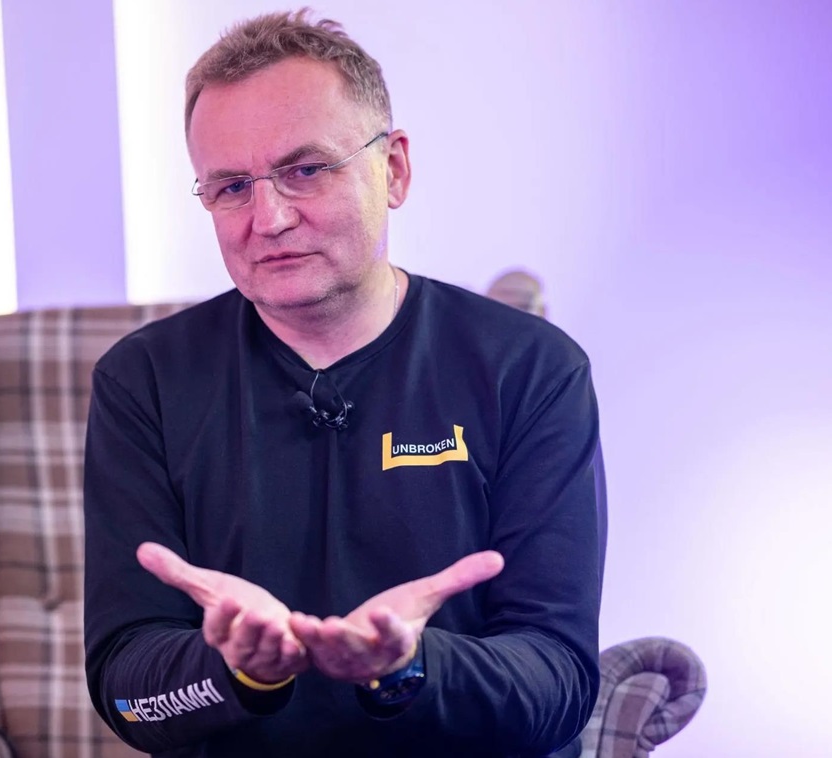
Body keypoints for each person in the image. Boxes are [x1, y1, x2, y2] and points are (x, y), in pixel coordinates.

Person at [83, 10, 605, 757]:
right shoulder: (145, 383)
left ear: (393, 169)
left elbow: (558, 684)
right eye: (231, 186)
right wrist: (236, 670)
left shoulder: (529, 370)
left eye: (306, 170)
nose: (268, 218)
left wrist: (410, 666)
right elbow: (127, 694)